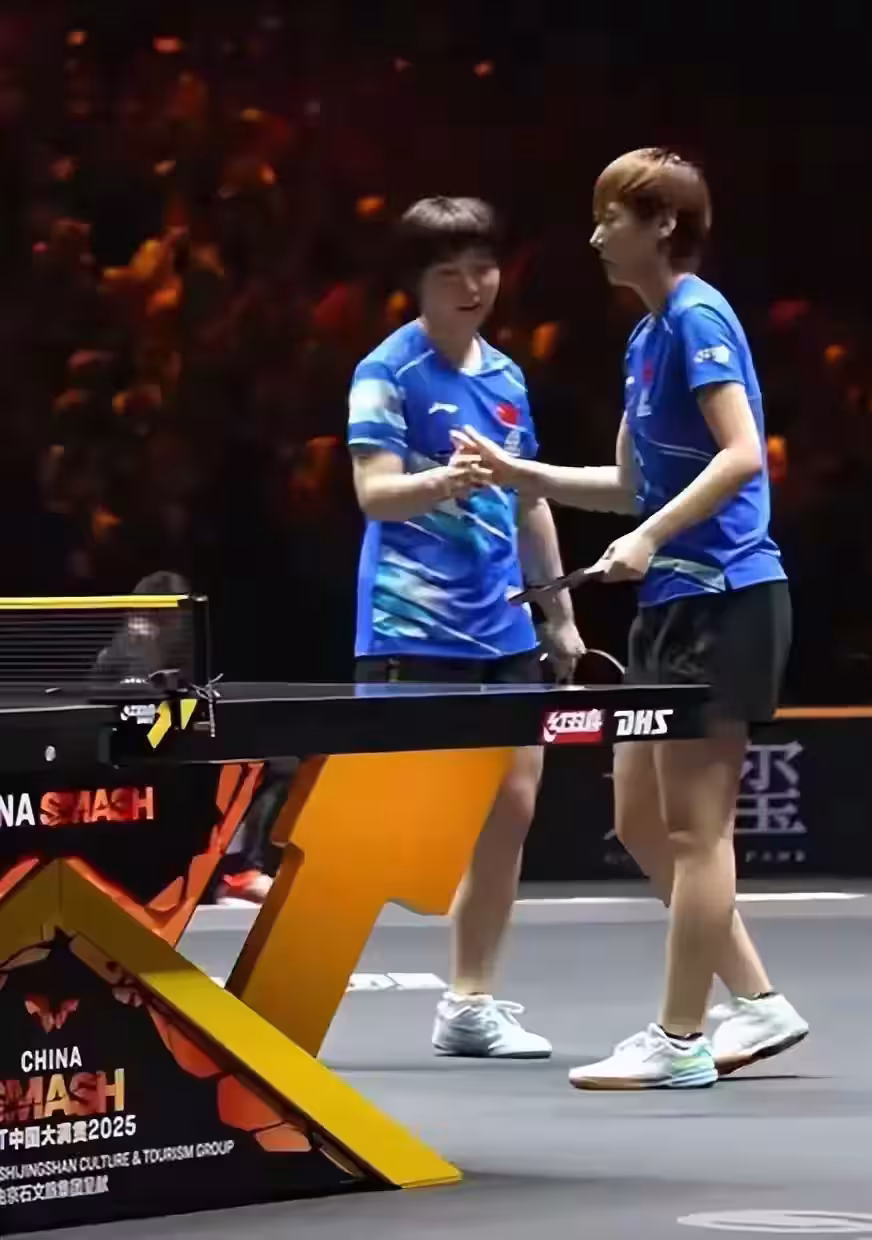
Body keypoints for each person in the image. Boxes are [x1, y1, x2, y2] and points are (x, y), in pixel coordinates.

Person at [452, 149, 808, 1089]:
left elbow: (742, 455)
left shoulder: (698, 317)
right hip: (671, 604)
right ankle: (760, 1003)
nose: (596, 234)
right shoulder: (646, 339)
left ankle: (681, 1040)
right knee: (640, 820)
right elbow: (626, 482)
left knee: (696, 831)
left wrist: (650, 536)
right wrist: (519, 473)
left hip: (725, 596)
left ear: (662, 225)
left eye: (613, 215)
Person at [346, 196, 586, 1059]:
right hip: (411, 628)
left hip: (504, 629)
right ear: (416, 283)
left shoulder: (507, 377)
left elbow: (529, 500)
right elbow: (375, 493)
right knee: (389, 833)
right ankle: (288, 974)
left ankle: (470, 1001)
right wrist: (444, 483)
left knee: (513, 808)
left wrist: (558, 612)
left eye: (483, 268)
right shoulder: (387, 372)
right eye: (450, 273)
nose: (472, 286)